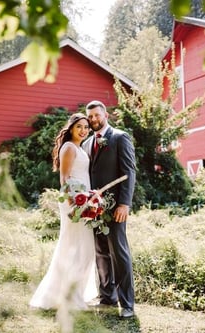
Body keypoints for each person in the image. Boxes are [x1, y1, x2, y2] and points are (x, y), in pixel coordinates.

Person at [29, 113, 98, 310]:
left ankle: (73, 293)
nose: (84, 130)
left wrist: (90, 200)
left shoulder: (80, 147)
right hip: (73, 202)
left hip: (85, 201)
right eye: (79, 127)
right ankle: (68, 297)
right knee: (75, 247)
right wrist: (75, 202)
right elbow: (65, 179)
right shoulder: (68, 147)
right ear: (71, 128)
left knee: (85, 249)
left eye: (86, 127)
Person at [83, 100, 137, 318]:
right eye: (91, 117)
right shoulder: (88, 142)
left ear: (105, 114)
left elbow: (129, 171)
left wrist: (125, 203)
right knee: (101, 252)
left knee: (119, 253)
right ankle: (107, 296)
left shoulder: (119, 137)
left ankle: (127, 305)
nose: (94, 119)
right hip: (93, 209)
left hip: (115, 207)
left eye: (97, 115)